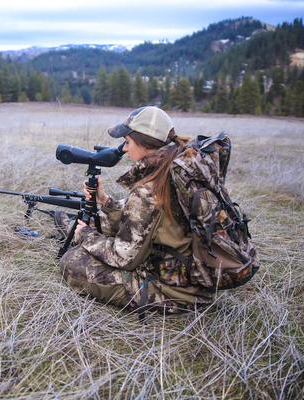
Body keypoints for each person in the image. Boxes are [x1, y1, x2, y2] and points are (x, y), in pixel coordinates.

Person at [57, 106, 215, 315]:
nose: (124, 149)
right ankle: (71, 226)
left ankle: (74, 230)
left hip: (176, 291)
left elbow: (123, 257)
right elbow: (143, 220)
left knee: (72, 262)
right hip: (195, 274)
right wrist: (104, 201)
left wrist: (85, 235)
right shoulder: (179, 166)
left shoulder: (150, 189)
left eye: (128, 142)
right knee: (103, 227)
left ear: (143, 142)